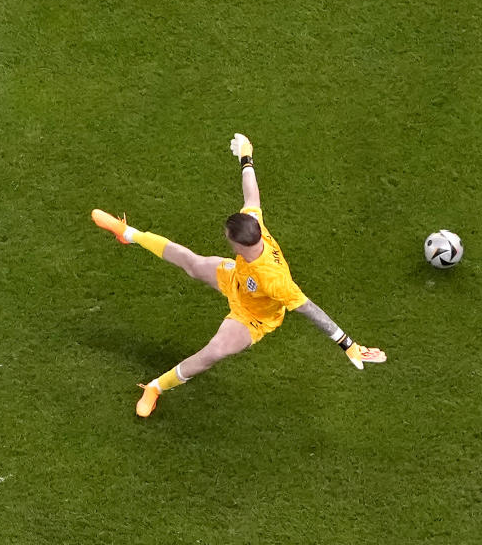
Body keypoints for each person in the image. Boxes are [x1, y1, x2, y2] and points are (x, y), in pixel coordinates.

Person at [92, 133, 386, 418]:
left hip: (253, 316)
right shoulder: (255, 226)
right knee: (190, 261)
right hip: (236, 277)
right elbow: (252, 193)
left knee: (214, 352)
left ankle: (155, 388)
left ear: (238, 244)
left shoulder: (275, 281)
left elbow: (310, 310)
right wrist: (247, 156)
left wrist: (348, 344)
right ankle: (127, 233)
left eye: (227, 237)